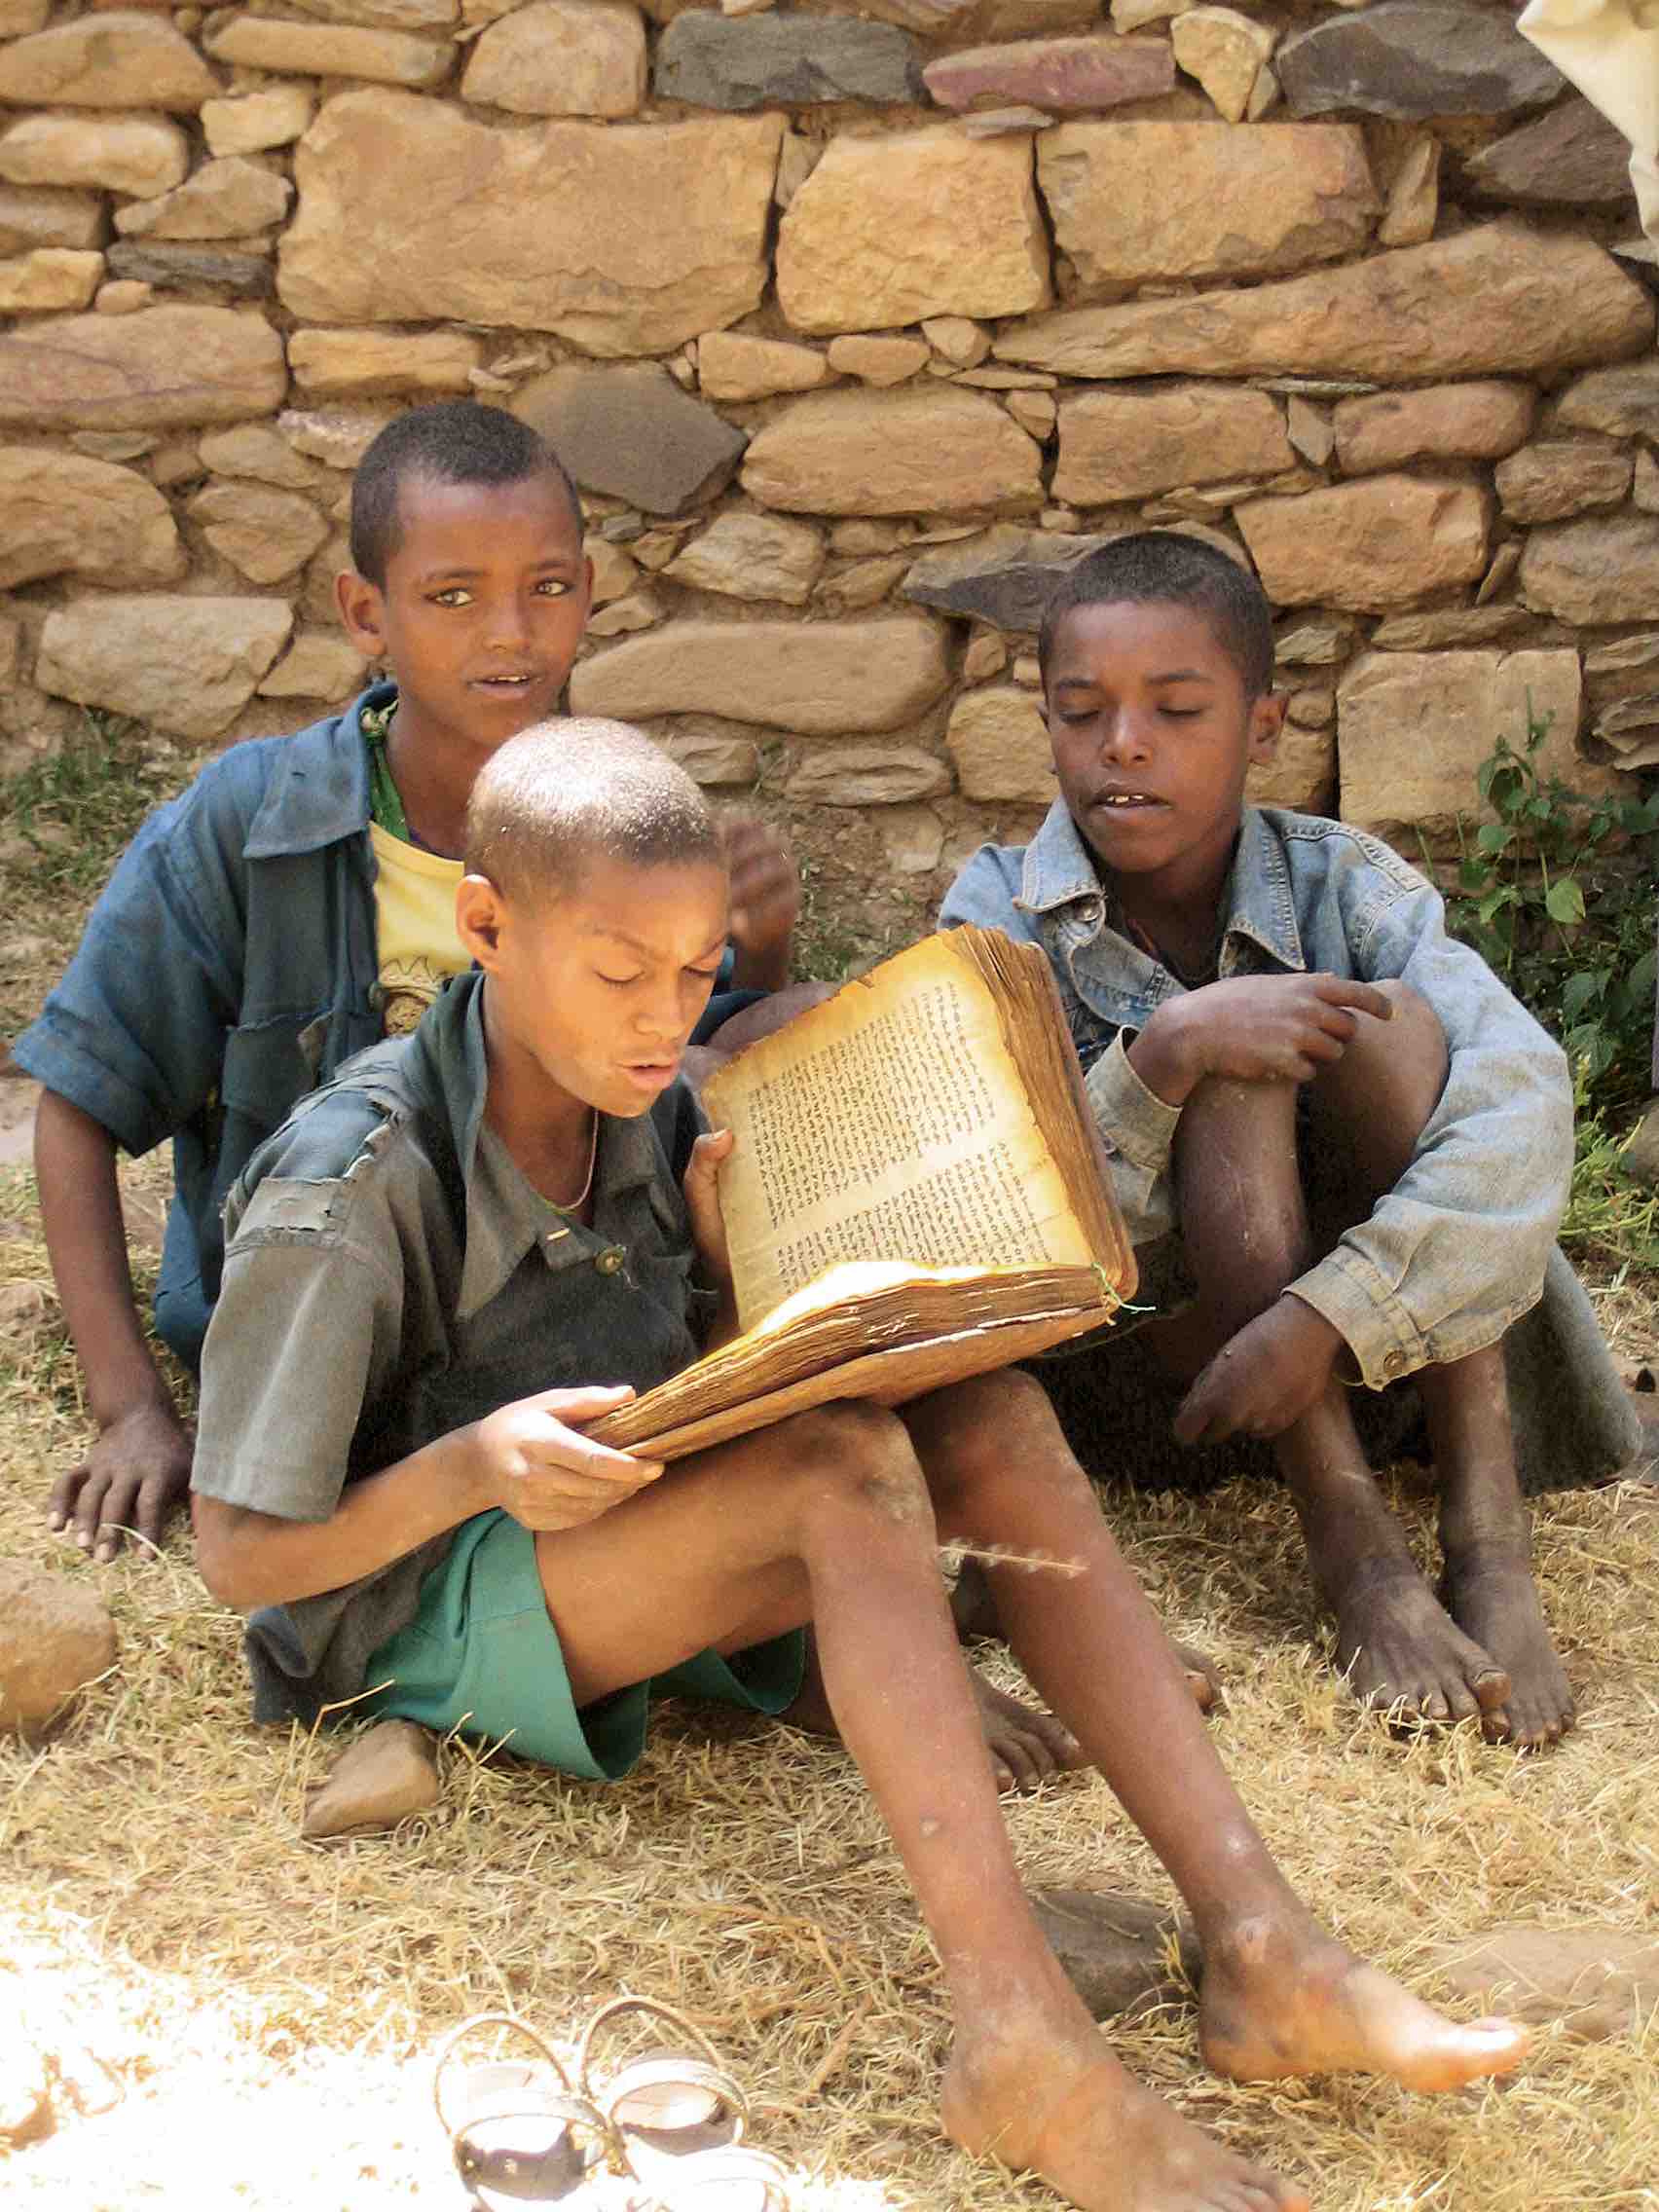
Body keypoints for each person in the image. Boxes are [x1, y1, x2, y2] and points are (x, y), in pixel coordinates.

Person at [191, 719, 1529, 2212]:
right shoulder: (351, 1179)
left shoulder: (647, 1100)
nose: (663, 1016)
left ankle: (1267, 1951)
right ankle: (1019, 2047)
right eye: (620, 971)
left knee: (993, 1414)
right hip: (409, 1600)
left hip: (605, 1532)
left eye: (699, 973)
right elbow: (243, 1559)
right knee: (839, 1471)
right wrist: (470, 1472)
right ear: (485, 925)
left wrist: (722, 1286)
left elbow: (674, 1385)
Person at [13, 400, 801, 1566]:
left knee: (791, 1035)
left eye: (546, 588)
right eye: (452, 596)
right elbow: (75, 1110)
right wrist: (133, 1405)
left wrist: (765, 955)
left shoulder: (610, 815)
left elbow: (680, 1057)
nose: (509, 634)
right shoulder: (251, 826)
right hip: (344, 1321)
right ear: (364, 614)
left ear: (590, 591)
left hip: (559, 1305)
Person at [941, 532, 1596, 1752]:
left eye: (1176, 709)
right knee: (1232, 1061)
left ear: (1264, 726)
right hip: (1154, 1379)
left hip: (1357, 1353)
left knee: (1385, 1027)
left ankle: (1486, 1538)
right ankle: (1357, 1555)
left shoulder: (1350, 886)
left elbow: (1523, 1100)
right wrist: (1161, 1059)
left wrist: (1329, 1313)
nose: (1123, 743)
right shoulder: (996, 918)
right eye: (1082, 712)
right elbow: (988, 1193)